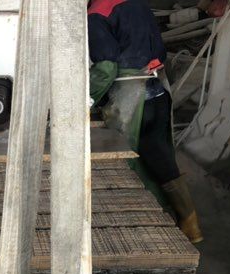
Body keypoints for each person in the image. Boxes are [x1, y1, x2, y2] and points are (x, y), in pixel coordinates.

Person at [87, 0, 203, 243]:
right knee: (160, 157)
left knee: (127, 164)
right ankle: (188, 224)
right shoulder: (138, 4)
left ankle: (133, 229)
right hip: (157, 91)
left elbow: (106, 68)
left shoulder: (97, 14)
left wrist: (86, 99)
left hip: (131, 97)